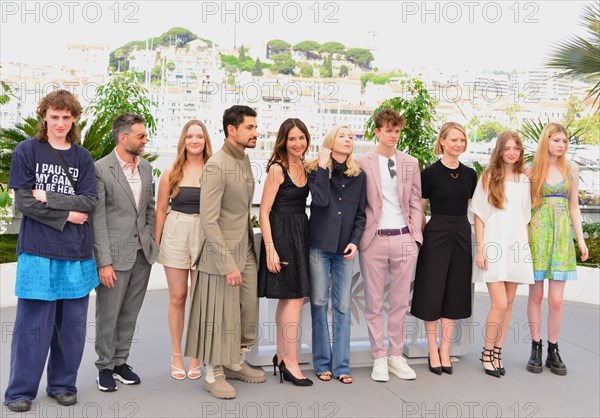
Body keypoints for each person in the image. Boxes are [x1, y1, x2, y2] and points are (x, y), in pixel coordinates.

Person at [4, 90, 98, 413]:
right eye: (54, 116)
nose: (60, 123)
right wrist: (68, 215)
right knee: (33, 325)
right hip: (37, 251)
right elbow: (24, 202)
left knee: (71, 328)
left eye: (66, 117)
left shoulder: (83, 158)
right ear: (44, 116)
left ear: (74, 119)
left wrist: (49, 197)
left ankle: (62, 384)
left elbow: (89, 202)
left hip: (76, 253)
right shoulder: (26, 151)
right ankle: (20, 391)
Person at [185, 105, 266, 400]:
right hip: (220, 257)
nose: (255, 132)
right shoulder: (216, 164)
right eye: (250, 128)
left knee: (246, 311)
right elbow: (208, 219)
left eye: (255, 127)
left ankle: (234, 361)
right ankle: (213, 372)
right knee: (219, 315)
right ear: (232, 130)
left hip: (244, 248)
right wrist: (226, 262)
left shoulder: (243, 160)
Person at [92, 112, 160, 392]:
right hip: (114, 257)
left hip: (142, 255)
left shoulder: (145, 168)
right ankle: (104, 367)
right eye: (141, 135)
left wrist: (151, 240)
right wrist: (104, 262)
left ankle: (121, 362)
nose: (145, 140)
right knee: (108, 315)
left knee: (130, 313)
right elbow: (97, 219)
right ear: (123, 138)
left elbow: (149, 208)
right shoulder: (100, 169)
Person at [355, 109, 422, 382]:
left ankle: (396, 356)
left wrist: (415, 236)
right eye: (388, 130)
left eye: (397, 131)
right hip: (374, 240)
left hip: (405, 238)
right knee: (373, 303)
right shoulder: (361, 162)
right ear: (377, 132)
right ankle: (379, 357)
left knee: (399, 303)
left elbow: (417, 201)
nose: (393, 135)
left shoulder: (410, 162)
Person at [410, 122, 477, 376]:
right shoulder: (429, 173)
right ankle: (431, 349)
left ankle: (445, 349)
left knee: (455, 291)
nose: (458, 144)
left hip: (461, 231)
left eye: (462, 140)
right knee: (432, 289)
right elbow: (420, 209)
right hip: (436, 231)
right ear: (442, 141)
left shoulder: (470, 174)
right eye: (453, 140)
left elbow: (472, 208)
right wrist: (417, 236)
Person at [469, 131, 533, 378]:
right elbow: (479, 216)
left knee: (508, 306)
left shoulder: (524, 181)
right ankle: (486, 353)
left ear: (520, 151)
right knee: (500, 303)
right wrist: (481, 248)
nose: (511, 152)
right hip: (494, 246)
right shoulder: (488, 176)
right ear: (499, 150)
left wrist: (525, 249)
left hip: (516, 246)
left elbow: (524, 218)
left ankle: (498, 351)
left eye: (516, 148)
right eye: (507, 148)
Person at [526, 123, 588, 376]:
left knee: (557, 300)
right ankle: (536, 347)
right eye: (557, 140)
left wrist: (580, 240)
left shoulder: (571, 168)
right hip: (538, 233)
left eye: (564, 141)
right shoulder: (531, 169)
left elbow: (574, 207)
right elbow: (523, 205)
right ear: (546, 141)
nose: (561, 145)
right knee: (536, 296)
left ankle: (553, 348)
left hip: (561, 236)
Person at [306, 125, 366, 385]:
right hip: (319, 246)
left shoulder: (359, 176)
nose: (348, 140)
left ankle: (342, 365)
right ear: (331, 141)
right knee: (319, 303)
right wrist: (321, 166)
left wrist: (355, 242)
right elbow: (318, 201)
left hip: (344, 250)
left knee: (342, 306)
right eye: (342, 136)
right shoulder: (314, 170)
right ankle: (321, 363)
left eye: (351, 137)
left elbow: (361, 214)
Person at [155, 120, 212, 380]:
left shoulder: (214, 170)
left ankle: (196, 355)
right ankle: (176, 353)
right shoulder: (172, 171)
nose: (194, 141)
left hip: (204, 234)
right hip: (176, 232)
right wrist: (156, 243)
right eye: (190, 136)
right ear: (184, 140)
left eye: (199, 136)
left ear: (205, 140)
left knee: (200, 299)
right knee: (178, 297)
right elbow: (159, 209)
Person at [258, 118, 312, 386]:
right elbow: (263, 211)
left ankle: (282, 356)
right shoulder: (277, 169)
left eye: (301, 138)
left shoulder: (305, 165)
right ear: (283, 140)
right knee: (293, 298)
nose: (298, 143)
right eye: (292, 139)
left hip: (301, 232)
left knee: (292, 299)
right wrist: (270, 249)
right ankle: (291, 363)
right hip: (281, 234)